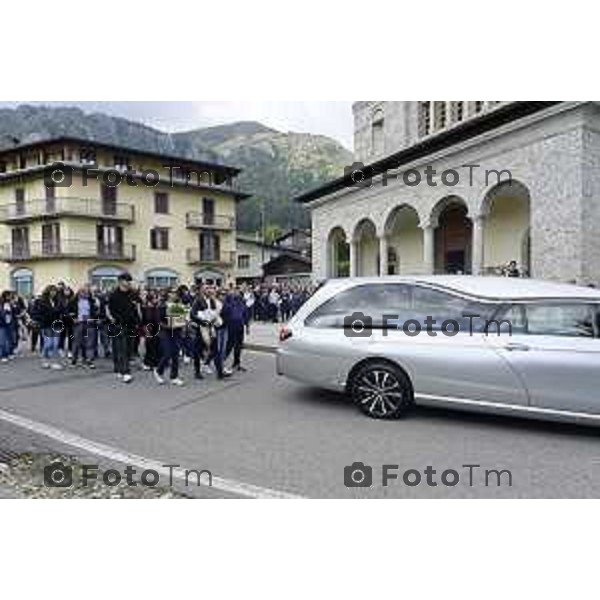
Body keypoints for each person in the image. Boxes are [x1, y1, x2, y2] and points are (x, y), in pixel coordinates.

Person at [107, 273, 138, 383]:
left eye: (130, 280)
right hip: (118, 325)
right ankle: (125, 372)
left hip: (131, 325)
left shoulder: (132, 294)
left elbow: (135, 308)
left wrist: (137, 321)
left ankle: (119, 368)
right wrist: (113, 319)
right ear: (120, 281)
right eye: (126, 280)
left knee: (128, 348)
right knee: (121, 348)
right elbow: (109, 310)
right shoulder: (113, 295)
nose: (129, 282)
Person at [153, 289, 187, 386]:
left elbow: (182, 318)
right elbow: (159, 321)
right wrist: (168, 326)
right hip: (165, 332)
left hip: (177, 332)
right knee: (167, 353)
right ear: (167, 294)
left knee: (176, 354)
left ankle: (174, 377)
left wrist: (183, 325)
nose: (174, 294)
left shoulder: (179, 305)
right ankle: (158, 371)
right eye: (172, 292)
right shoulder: (162, 306)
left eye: (176, 293)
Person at [69, 284, 99, 369]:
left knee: (90, 343)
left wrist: (94, 318)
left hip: (89, 322)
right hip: (79, 323)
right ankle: (74, 360)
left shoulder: (92, 301)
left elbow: (96, 312)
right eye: (83, 292)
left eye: (87, 292)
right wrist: (73, 318)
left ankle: (89, 361)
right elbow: (68, 312)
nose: (85, 293)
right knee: (77, 343)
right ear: (79, 292)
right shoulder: (73, 301)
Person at [37, 285, 63, 370]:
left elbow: (61, 310)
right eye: (52, 291)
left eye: (55, 291)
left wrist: (56, 311)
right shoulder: (42, 301)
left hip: (57, 324)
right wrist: (54, 310)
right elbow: (43, 312)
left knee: (55, 344)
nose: (53, 293)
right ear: (48, 291)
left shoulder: (58, 300)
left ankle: (54, 362)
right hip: (46, 325)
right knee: (48, 344)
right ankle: (45, 360)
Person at [223, 287, 249, 372]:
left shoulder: (242, 301)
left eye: (238, 291)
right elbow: (225, 312)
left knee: (239, 346)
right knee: (229, 345)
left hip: (240, 326)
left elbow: (245, 313)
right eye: (235, 291)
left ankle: (236, 363)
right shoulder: (229, 300)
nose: (237, 292)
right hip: (231, 326)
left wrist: (247, 326)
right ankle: (221, 362)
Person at [0, 291, 13, 363]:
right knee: (2, 341)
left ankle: (8, 353)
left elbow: (13, 313)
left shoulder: (10, 304)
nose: (10, 297)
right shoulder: (1, 304)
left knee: (9, 340)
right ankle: (3, 355)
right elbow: (2, 314)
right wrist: (5, 312)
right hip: (1, 324)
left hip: (9, 324)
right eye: (9, 296)